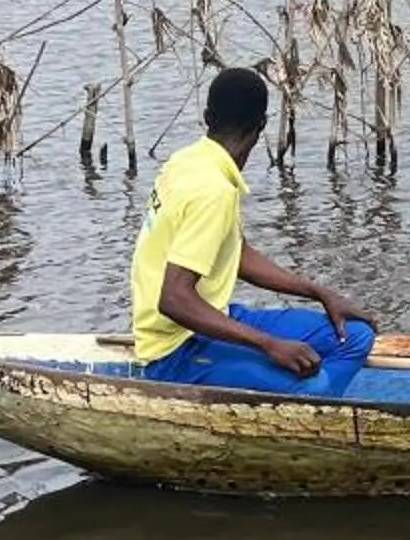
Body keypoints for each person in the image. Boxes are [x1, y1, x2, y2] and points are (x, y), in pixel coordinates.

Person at [129, 66, 375, 392]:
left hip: (216, 314)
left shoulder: (186, 161)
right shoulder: (213, 190)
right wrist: (269, 344)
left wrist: (320, 293)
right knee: (311, 386)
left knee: (355, 334)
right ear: (261, 126)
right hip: (177, 349)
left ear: (207, 116)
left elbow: (237, 253)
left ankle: (312, 405)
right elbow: (173, 299)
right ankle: (313, 417)